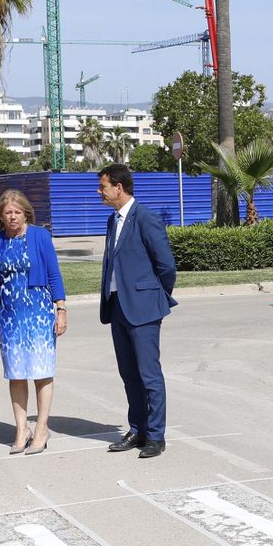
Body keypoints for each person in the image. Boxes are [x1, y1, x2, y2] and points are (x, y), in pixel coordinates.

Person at [99, 164, 178, 459]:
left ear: (119, 188)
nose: (100, 191)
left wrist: (155, 295)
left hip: (143, 308)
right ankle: (138, 428)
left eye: (103, 186)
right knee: (128, 374)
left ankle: (156, 436)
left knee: (149, 374)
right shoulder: (112, 220)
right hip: (117, 306)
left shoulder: (146, 218)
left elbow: (166, 266)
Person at [0, 190, 67, 454]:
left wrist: (61, 309)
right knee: (16, 374)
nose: (13, 217)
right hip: (9, 317)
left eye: (18, 212)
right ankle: (22, 429)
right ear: (1, 215)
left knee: (42, 372)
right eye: (8, 212)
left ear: (26, 213)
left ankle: (41, 427)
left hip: (39, 313)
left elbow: (54, 274)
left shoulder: (39, 236)